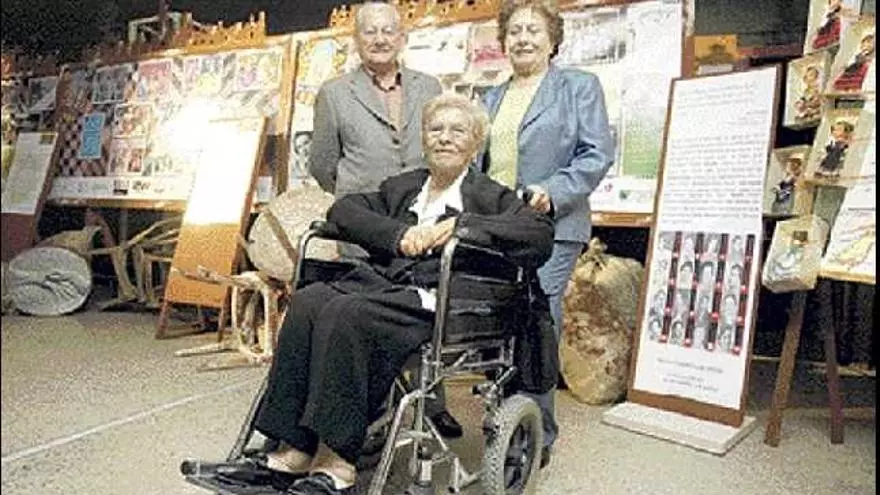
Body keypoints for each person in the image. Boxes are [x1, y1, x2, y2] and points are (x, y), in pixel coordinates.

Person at [218, 94, 556, 494]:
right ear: (423, 139)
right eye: (436, 129)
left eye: (458, 130)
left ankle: (337, 464)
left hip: (441, 302)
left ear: (475, 143)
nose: (445, 137)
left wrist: (461, 226)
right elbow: (343, 211)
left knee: (347, 314)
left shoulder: (492, 197)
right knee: (309, 302)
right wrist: (399, 235)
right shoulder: (404, 187)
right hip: (385, 288)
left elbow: (538, 235)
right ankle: (292, 450)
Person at [305, 2, 462, 438]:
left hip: (421, 223)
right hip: (366, 230)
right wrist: (360, 203)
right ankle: (367, 414)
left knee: (426, 310)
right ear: (356, 40)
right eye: (370, 32)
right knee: (363, 318)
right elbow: (322, 164)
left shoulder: (429, 86)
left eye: (388, 31)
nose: (379, 39)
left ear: (402, 37)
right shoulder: (335, 93)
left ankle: (432, 404)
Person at [475, 0, 615, 467]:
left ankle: (538, 433)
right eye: (514, 31)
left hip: (552, 225)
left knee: (537, 319)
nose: (523, 38)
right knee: (500, 319)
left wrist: (553, 191)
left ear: (553, 39)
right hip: (498, 226)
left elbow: (596, 154)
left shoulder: (578, 87)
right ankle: (507, 417)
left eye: (533, 30)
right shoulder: (491, 97)